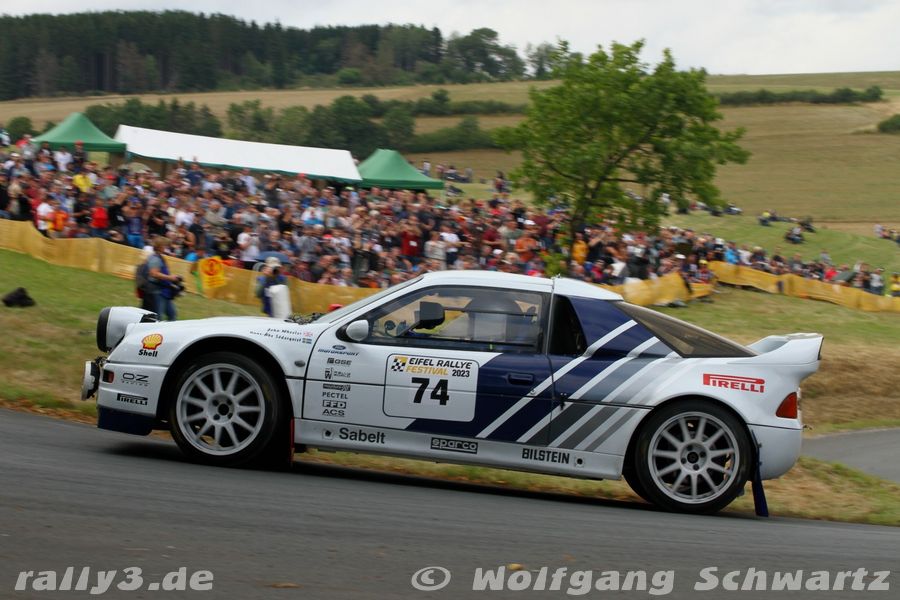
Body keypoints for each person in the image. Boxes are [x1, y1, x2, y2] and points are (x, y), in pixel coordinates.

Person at [145, 237, 181, 321]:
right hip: (157, 291)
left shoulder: (159, 257)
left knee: (172, 314)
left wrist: (172, 277)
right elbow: (154, 274)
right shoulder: (155, 258)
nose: (166, 247)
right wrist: (170, 278)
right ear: (159, 246)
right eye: (165, 245)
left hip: (164, 291)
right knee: (158, 317)